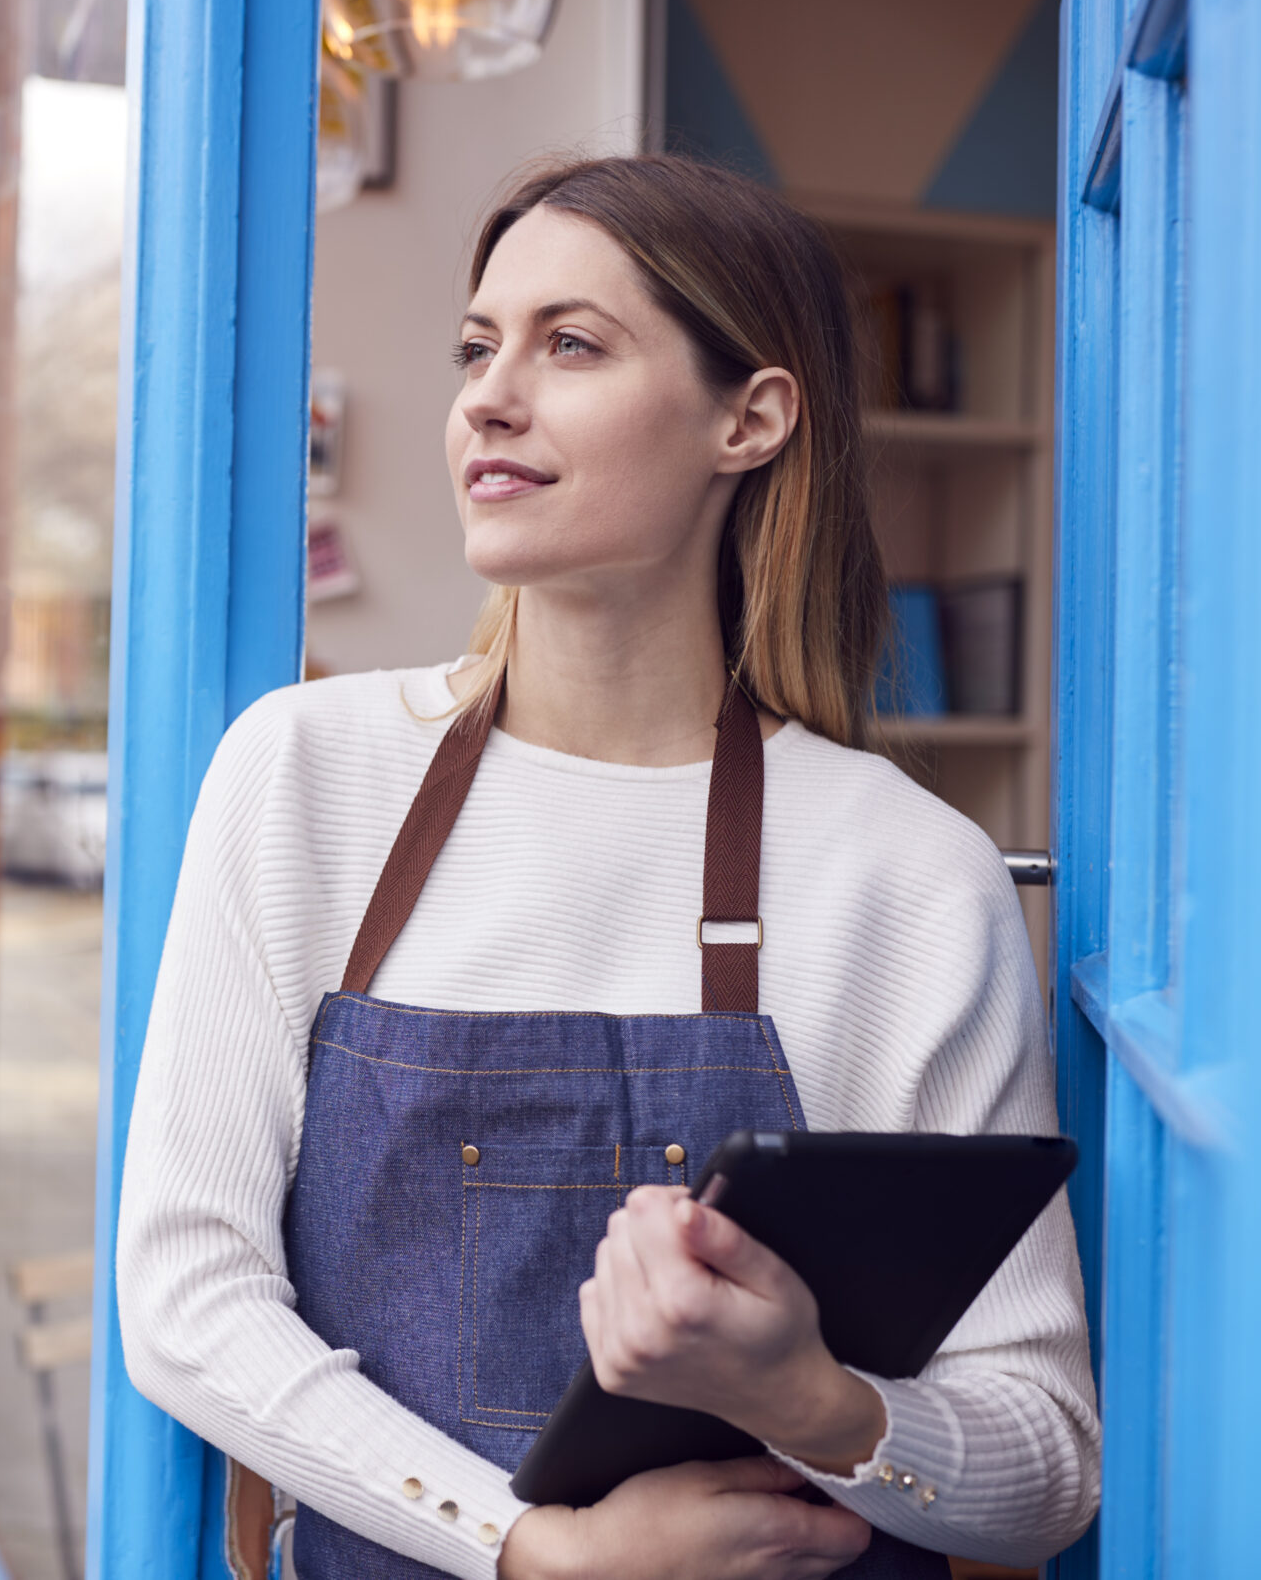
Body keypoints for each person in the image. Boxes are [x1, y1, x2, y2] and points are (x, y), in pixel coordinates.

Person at [116, 153, 1098, 1580]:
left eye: (570, 344)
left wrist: (808, 1402)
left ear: (749, 419)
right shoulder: (306, 775)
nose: (488, 397)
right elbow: (187, 1298)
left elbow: (1047, 1462)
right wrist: (528, 1550)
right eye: (476, 347)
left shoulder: (906, 872)